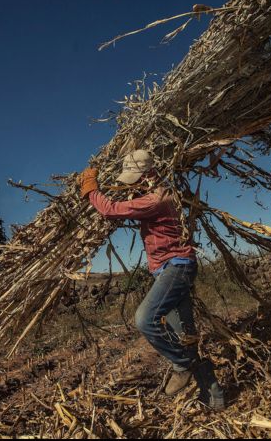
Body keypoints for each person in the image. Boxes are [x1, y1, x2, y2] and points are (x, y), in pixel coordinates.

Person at [78, 149, 225, 410]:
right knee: (186, 337)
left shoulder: (156, 199)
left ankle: (181, 366)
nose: (132, 184)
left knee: (145, 319)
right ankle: (215, 400)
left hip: (175, 268)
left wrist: (91, 189)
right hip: (174, 269)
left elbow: (110, 209)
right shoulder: (162, 193)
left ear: (148, 175)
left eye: (135, 178)